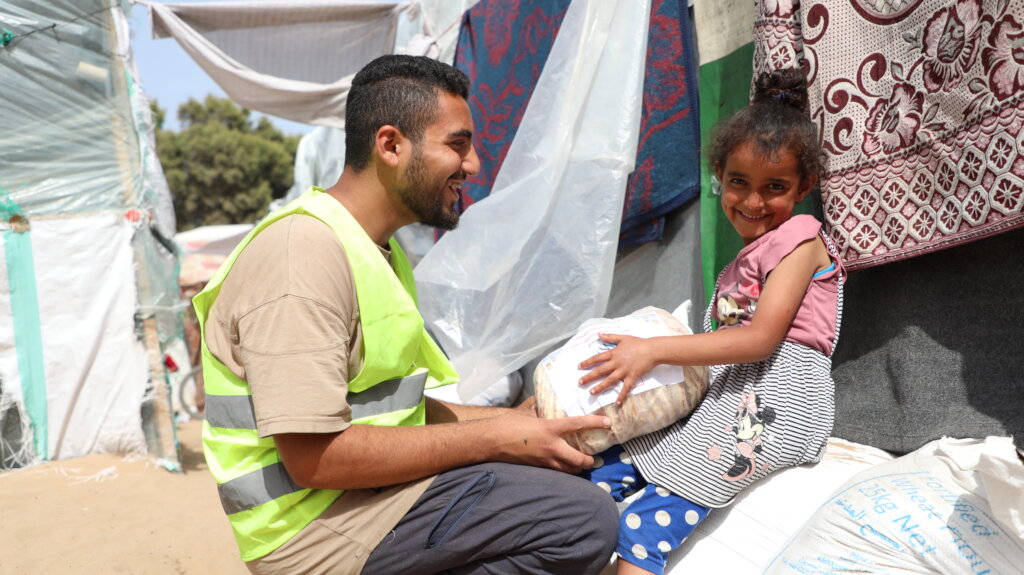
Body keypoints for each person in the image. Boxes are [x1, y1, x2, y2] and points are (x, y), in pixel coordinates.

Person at [193, 54, 619, 575]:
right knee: (579, 520)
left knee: (571, 475)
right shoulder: (300, 253)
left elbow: (395, 415)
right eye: (458, 144)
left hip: (359, 502)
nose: (474, 165)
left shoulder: (374, 251)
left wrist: (519, 422)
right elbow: (314, 457)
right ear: (391, 145)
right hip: (314, 531)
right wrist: (494, 437)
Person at [576, 68, 844, 575]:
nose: (753, 202)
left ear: (804, 187)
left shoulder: (803, 242)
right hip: (730, 393)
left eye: (775, 187)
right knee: (606, 471)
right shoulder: (744, 259)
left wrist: (652, 350)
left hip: (774, 402)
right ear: (719, 172)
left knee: (650, 523)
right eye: (739, 182)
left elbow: (762, 340)